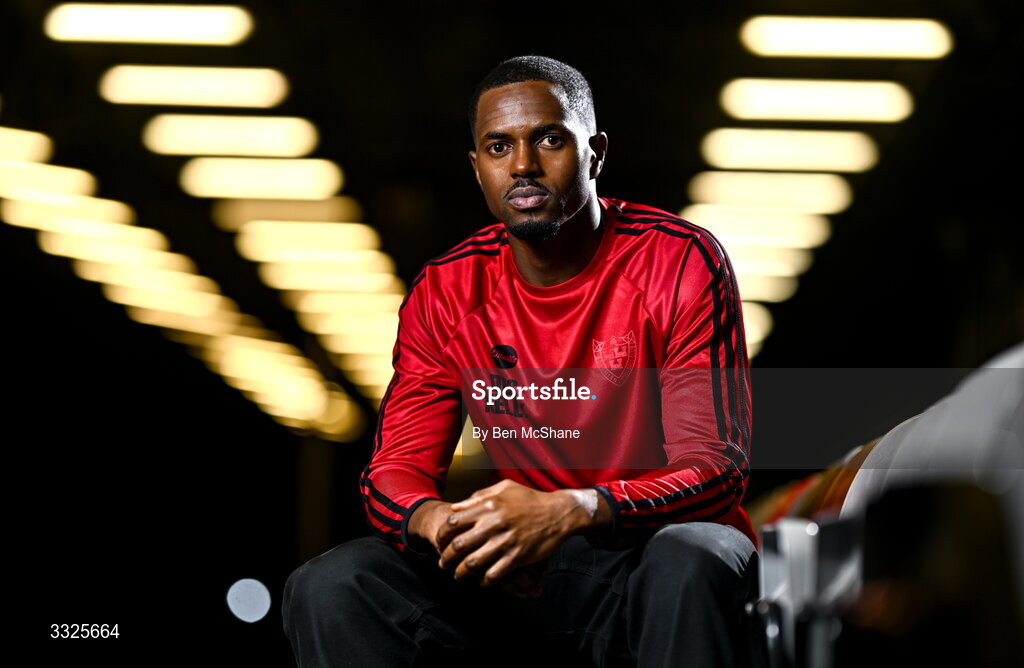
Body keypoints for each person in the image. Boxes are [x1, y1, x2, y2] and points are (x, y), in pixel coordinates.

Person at [283, 55, 760, 667]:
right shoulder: (447, 289)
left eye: (550, 140)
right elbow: (391, 474)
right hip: (519, 572)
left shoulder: (678, 260)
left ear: (596, 153)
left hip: (645, 554)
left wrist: (572, 508)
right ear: (477, 169)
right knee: (333, 584)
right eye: (499, 147)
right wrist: (446, 526)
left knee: (691, 557)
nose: (524, 166)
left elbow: (716, 468)